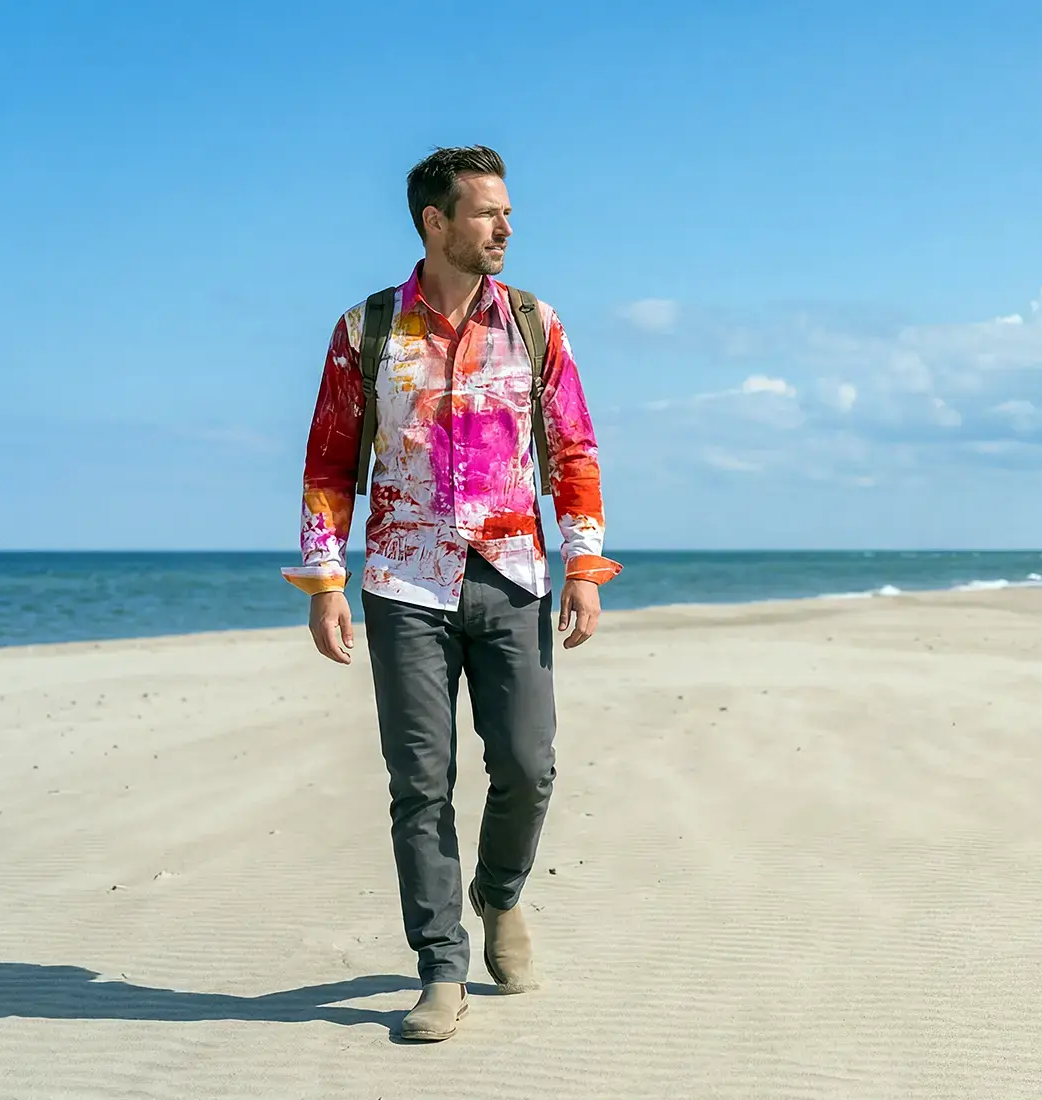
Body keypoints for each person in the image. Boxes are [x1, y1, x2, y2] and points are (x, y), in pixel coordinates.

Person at [282, 145, 621, 1042]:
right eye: (487, 213)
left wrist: (584, 567)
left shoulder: (536, 324)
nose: (506, 227)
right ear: (436, 222)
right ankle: (441, 968)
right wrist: (325, 579)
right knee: (419, 782)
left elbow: (574, 451)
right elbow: (327, 463)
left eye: (507, 212)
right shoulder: (368, 329)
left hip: (512, 576)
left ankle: (499, 896)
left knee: (527, 765)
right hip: (403, 581)